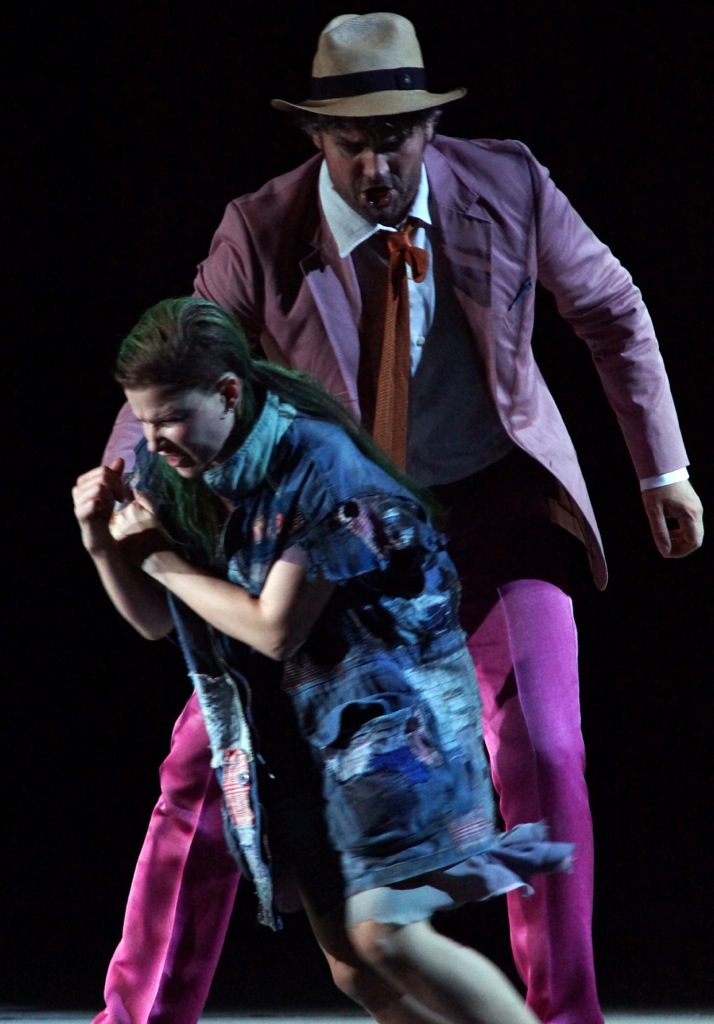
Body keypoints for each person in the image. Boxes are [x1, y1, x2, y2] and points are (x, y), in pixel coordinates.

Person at [96, 12, 704, 1024]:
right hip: (335, 543)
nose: (377, 166)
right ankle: (137, 1018)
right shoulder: (263, 227)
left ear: (429, 127)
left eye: (397, 138)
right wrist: (123, 476)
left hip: (491, 514)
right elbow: (181, 366)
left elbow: (610, 309)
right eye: (353, 143)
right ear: (316, 137)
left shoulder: (508, 184)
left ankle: (567, 1014)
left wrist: (663, 470)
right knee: (207, 764)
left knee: (548, 751)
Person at [75, 296, 574, 1024]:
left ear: (229, 393)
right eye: (144, 421)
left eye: (172, 418)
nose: (155, 442)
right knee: (354, 967)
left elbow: (275, 629)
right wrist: (102, 544)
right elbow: (158, 622)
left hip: (390, 726)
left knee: (387, 937)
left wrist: (157, 559)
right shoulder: (178, 466)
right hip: (290, 743)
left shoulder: (320, 466)